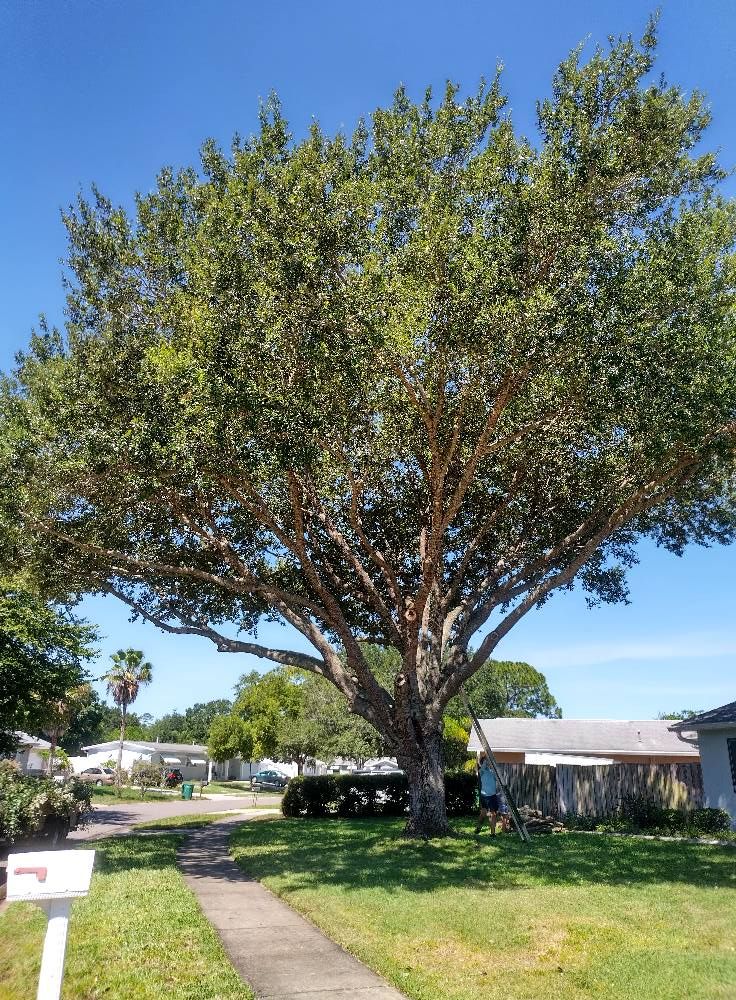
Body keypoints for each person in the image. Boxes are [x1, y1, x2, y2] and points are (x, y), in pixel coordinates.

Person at [474, 751, 500, 837]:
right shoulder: (481, 771)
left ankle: (492, 833)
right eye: (486, 761)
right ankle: (478, 827)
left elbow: (497, 778)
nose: (488, 762)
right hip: (484, 796)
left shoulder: (492, 771)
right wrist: (486, 755)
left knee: (493, 814)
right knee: (483, 814)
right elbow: (484, 763)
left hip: (492, 795)